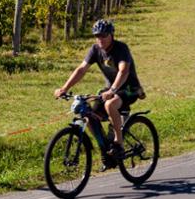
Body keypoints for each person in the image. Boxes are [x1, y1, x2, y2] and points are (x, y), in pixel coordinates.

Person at [55, 19, 143, 161]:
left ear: (111, 35)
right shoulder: (95, 49)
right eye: (97, 36)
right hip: (111, 89)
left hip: (129, 88)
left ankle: (118, 143)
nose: (100, 39)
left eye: (103, 35)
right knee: (89, 116)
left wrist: (112, 90)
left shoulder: (121, 48)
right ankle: (106, 147)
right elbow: (81, 69)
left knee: (109, 104)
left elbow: (123, 71)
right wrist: (64, 88)